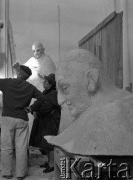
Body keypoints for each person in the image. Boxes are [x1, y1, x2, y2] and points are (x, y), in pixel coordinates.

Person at [45, 49, 133, 179]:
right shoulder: (93, 113)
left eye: (65, 88)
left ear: (91, 80)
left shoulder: (108, 115)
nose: (60, 100)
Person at [0, 62, 45, 180]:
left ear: (18, 73)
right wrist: (32, 108)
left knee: (6, 147)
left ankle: (7, 173)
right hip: (22, 119)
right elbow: (42, 98)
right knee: (22, 148)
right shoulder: (30, 88)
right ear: (27, 77)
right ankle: (21, 174)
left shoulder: (8, 83)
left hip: (8, 118)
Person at [28, 73, 61, 173]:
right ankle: (49, 161)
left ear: (51, 84)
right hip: (44, 120)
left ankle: (52, 165)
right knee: (44, 143)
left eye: (46, 81)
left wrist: (36, 110)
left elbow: (46, 107)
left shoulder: (53, 94)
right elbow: (38, 102)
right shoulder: (46, 92)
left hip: (50, 121)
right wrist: (34, 109)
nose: (44, 82)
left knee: (48, 143)